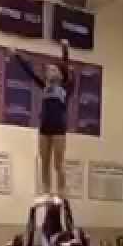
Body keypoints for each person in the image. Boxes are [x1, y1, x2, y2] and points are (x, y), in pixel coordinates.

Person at [11, 39, 75, 197]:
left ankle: (61, 190)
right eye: (48, 70)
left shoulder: (66, 87)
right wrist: (16, 55)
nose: (49, 72)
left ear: (60, 75)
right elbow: (30, 72)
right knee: (44, 162)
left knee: (58, 163)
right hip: (44, 129)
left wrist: (65, 49)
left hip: (59, 129)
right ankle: (46, 190)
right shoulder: (44, 87)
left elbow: (65, 65)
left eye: (53, 70)